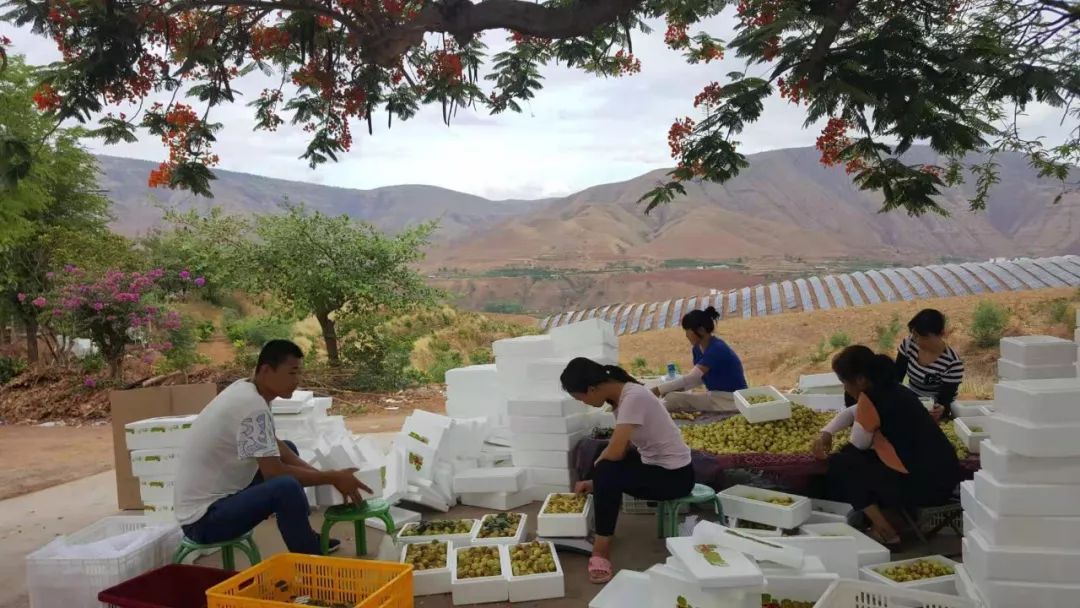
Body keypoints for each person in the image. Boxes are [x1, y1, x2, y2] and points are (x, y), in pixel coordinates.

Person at [174, 340, 369, 554]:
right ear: (266, 370)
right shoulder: (252, 406)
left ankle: (304, 533)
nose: (297, 380)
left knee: (288, 449)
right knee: (285, 486)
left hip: (220, 501)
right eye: (292, 373)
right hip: (205, 521)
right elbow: (274, 473)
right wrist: (332, 477)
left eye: (299, 373)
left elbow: (276, 447)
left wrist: (327, 476)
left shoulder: (247, 390)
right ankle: (307, 553)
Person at [561, 357, 694, 584]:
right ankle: (599, 508)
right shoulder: (622, 398)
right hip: (657, 466)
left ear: (592, 389)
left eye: (580, 397)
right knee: (602, 461)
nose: (583, 403)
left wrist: (598, 475)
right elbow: (621, 450)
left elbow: (616, 451)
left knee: (605, 467)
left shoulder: (633, 398)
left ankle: (601, 551)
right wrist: (596, 479)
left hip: (675, 477)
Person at [812, 345, 960, 546]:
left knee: (843, 462)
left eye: (844, 382)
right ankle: (895, 519)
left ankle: (886, 531)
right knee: (862, 462)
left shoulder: (870, 399)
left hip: (922, 487)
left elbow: (859, 444)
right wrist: (827, 432)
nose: (845, 388)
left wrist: (863, 431)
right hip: (947, 478)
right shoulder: (895, 389)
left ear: (860, 380)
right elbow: (854, 411)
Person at [652, 306, 748, 412]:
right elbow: (699, 380)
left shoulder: (717, 349)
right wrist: (675, 389)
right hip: (715, 397)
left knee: (671, 399)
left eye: (688, 331)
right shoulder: (697, 349)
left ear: (701, 330)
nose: (687, 335)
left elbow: (691, 378)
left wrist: (657, 390)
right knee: (671, 397)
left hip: (732, 399)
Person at [896, 309, 964, 420]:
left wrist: (940, 409)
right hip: (911, 397)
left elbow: (945, 400)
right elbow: (896, 377)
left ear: (941, 334)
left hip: (932, 406)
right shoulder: (909, 344)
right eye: (915, 335)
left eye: (924, 337)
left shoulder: (952, 363)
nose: (918, 341)